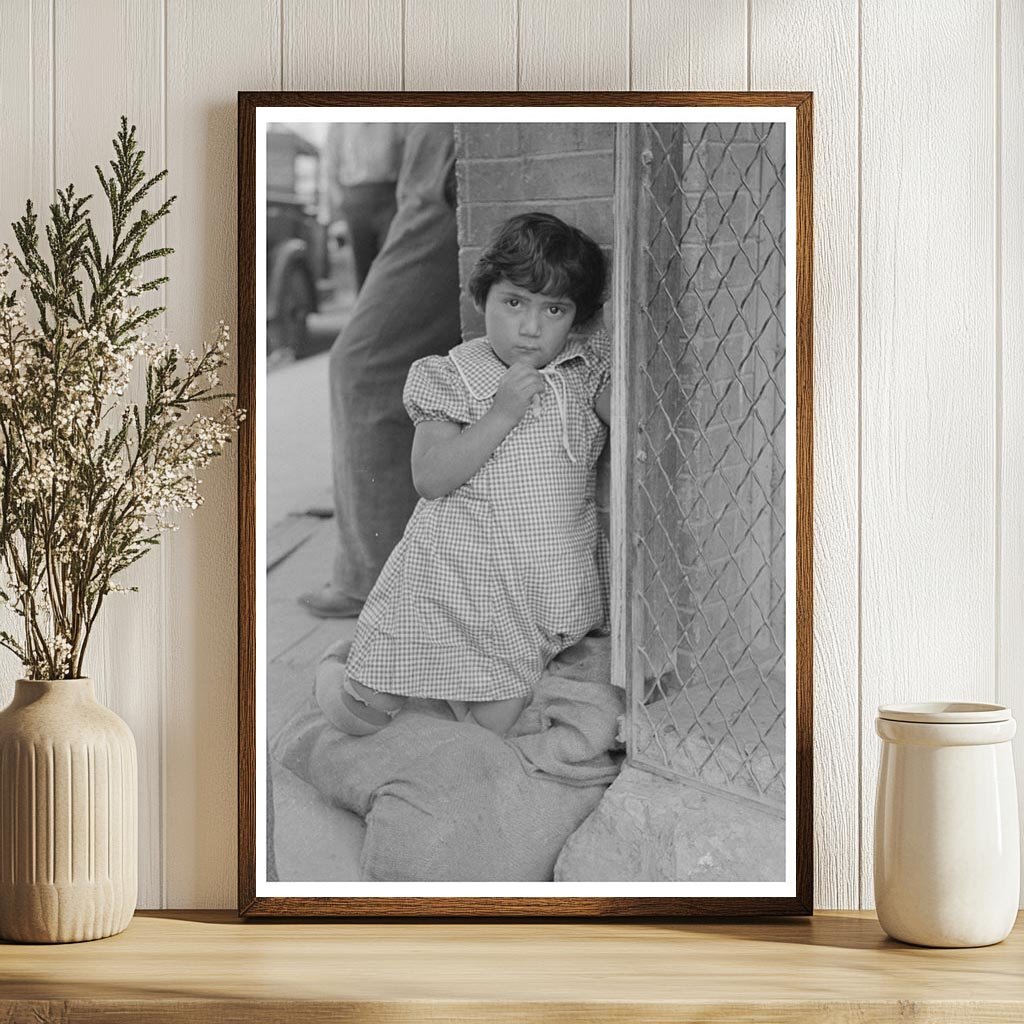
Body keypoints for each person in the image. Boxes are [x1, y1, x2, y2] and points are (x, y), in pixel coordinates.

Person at [315, 212, 611, 737]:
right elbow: (429, 478)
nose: (530, 327)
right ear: (483, 300)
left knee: (490, 726)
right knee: (363, 716)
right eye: (514, 302)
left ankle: (451, 709)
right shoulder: (452, 376)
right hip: (454, 579)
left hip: (541, 581)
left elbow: (638, 424)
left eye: (554, 309)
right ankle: (350, 673)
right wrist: (500, 414)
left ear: (576, 320)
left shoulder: (584, 372)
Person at [299, 123, 461, 619]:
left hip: (438, 177)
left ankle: (374, 577)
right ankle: (398, 569)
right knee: (391, 365)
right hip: (411, 181)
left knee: (363, 366)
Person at [324, 123, 403, 291]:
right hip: (356, 198)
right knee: (363, 265)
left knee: (391, 258)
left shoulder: (393, 119)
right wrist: (342, 205)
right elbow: (331, 169)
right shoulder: (340, 123)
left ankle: (391, 312)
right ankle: (367, 314)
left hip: (388, 195)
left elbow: (404, 154)